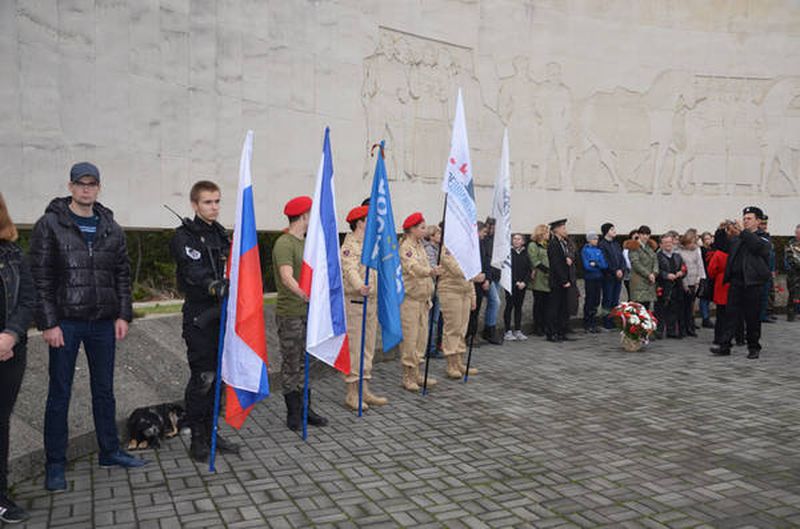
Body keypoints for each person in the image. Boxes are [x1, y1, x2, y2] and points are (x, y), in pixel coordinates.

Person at [29, 162, 145, 492]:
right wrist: (48, 323)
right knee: (59, 394)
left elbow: (122, 275)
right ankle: (55, 464)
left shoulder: (112, 227)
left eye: (91, 184)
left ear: (98, 188)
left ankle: (109, 451)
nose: (86, 189)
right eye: (80, 184)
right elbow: (40, 278)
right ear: (70, 186)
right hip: (65, 323)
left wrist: (124, 315)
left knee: (105, 391)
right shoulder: (50, 224)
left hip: (103, 324)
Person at [169, 180, 239, 462]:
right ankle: (198, 437)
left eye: (217, 201)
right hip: (200, 317)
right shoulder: (184, 236)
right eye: (208, 202)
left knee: (219, 378)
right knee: (203, 378)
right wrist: (213, 285)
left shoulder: (222, 236)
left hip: (223, 316)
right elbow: (192, 270)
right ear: (195, 204)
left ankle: (211, 431)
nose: (214, 207)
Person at [272, 196, 328, 430]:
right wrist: (304, 294)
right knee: (292, 363)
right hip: (292, 313)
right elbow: (286, 277)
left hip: (310, 313)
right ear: (304, 216)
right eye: (312, 213)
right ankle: (293, 413)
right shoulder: (285, 243)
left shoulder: (308, 243)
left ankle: (306, 408)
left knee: (307, 362)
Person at [0, 194, 35, 523]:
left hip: (10, 351)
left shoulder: (12, 254)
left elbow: (28, 298)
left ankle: (0, 495)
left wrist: (11, 334)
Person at [340, 205, 387, 411]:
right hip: (356, 302)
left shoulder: (370, 245)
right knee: (355, 349)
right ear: (360, 222)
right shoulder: (350, 246)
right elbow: (349, 269)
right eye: (369, 220)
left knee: (368, 347)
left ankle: (364, 388)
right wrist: (361, 286)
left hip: (371, 302)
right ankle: (351, 393)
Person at [711, 207, 771, 359]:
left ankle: (753, 347)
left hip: (753, 283)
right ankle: (724, 346)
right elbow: (721, 246)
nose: (745, 221)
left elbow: (757, 247)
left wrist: (742, 233)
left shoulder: (763, 237)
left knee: (752, 317)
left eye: (749, 219)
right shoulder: (738, 238)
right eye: (744, 218)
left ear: (758, 221)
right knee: (730, 316)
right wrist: (721, 230)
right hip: (736, 282)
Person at [398, 213, 441, 391]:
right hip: (410, 301)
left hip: (423, 300)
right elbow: (413, 268)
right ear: (412, 229)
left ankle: (417, 373)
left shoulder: (420, 246)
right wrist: (429, 271)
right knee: (410, 339)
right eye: (422, 227)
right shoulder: (406, 247)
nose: (425, 230)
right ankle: (408, 377)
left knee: (421, 339)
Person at [438, 244, 479, 379]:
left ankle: (459, 361)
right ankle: (451, 363)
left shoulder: (465, 248)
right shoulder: (447, 247)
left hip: (465, 291)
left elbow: (469, 277)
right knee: (452, 328)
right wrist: (473, 274)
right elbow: (455, 269)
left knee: (462, 328)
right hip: (451, 291)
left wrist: (473, 296)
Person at [707, 224, 744, 346]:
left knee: (721, 314)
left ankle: (719, 337)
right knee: (737, 314)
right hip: (735, 282)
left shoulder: (719, 253)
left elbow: (711, 270)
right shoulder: (738, 251)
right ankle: (739, 337)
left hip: (721, 283)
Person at [546, 219, 575, 342]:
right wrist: (564, 280)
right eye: (562, 228)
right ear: (556, 230)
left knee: (563, 308)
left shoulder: (562, 243)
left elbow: (564, 260)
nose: (565, 230)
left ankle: (561, 332)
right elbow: (556, 264)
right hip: (558, 281)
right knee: (554, 307)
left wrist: (568, 260)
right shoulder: (553, 244)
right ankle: (551, 333)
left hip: (565, 280)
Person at [655, 234, 685, 339]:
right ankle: (659, 331)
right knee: (661, 309)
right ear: (661, 244)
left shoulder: (677, 256)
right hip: (663, 286)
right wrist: (666, 275)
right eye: (665, 242)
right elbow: (656, 270)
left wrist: (682, 273)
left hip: (676, 285)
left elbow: (683, 268)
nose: (668, 245)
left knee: (673, 309)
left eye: (670, 242)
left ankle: (671, 331)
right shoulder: (657, 256)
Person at [477, 217, 502, 344]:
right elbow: (486, 260)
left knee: (494, 303)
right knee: (495, 301)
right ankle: (489, 329)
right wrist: (487, 278)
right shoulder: (484, 240)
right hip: (488, 276)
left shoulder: (496, 240)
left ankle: (490, 328)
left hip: (496, 275)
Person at [676, 231, 706, 337]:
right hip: (684, 280)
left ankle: (690, 327)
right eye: (691, 243)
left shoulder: (697, 250)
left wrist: (699, 279)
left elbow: (700, 265)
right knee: (682, 306)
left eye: (694, 242)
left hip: (694, 281)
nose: (693, 245)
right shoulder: (679, 251)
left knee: (691, 306)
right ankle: (682, 329)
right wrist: (684, 284)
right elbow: (680, 267)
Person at [503, 233, 532, 341]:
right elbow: (507, 270)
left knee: (518, 307)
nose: (516, 241)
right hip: (511, 285)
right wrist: (516, 282)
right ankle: (507, 331)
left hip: (522, 285)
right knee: (509, 306)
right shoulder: (509, 253)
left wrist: (524, 282)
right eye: (514, 239)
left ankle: (518, 330)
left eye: (518, 239)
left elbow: (529, 270)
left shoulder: (525, 253)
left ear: (523, 241)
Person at [598, 223, 625, 329]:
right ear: (606, 231)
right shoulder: (602, 244)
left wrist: (622, 269)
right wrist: (614, 271)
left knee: (615, 299)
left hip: (618, 276)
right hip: (608, 276)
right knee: (607, 299)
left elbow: (621, 258)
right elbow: (605, 260)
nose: (614, 231)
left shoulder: (616, 244)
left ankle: (614, 319)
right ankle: (606, 321)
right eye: (612, 229)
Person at [423, 225, 443, 358]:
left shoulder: (438, 249)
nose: (440, 237)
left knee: (434, 320)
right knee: (431, 320)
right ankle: (429, 348)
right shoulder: (429, 249)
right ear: (431, 236)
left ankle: (432, 346)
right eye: (438, 234)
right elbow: (432, 268)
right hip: (431, 287)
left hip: (437, 286)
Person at [627, 226, 659, 310]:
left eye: (647, 234)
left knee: (647, 307)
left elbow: (655, 260)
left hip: (649, 282)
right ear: (639, 235)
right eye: (643, 234)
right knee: (638, 308)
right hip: (639, 282)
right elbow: (636, 263)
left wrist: (654, 273)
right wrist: (648, 274)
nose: (645, 236)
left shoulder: (650, 247)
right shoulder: (634, 247)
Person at [581, 232, 608, 333]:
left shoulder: (598, 250)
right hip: (590, 278)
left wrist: (595, 263)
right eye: (594, 239)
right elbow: (587, 266)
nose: (596, 241)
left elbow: (604, 265)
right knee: (590, 300)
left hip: (599, 277)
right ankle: (587, 324)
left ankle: (593, 323)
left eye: (597, 239)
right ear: (589, 240)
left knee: (596, 301)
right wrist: (597, 264)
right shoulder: (585, 250)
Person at [527, 224, 550, 336]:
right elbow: (534, 260)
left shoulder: (546, 245)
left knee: (546, 304)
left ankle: (545, 325)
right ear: (541, 233)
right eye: (547, 233)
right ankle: (538, 327)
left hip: (548, 279)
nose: (548, 235)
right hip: (539, 277)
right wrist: (547, 270)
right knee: (539, 304)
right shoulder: (533, 245)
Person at [759, 215, 777, 323]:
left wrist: (773, 269)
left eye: (765, 224)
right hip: (763, 270)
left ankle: (765, 312)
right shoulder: (758, 237)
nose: (764, 226)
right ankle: (761, 315)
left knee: (767, 294)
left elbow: (772, 255)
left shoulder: (767, 236)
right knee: (762, 294)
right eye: (762, 224)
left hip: (769, 269)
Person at [699, 231, 715, 328]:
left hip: (712, 275)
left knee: (708, 298)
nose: (708, 241)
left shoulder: (713, 248)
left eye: (709, 238)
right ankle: (705, 318)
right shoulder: (702, 250)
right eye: (706, 239)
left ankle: (707, 316)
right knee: (704, 297)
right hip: (705, 275)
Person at [785, 224, 800, 322]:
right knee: (793, 294)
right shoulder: (791, 244)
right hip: (794, 273)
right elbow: (790, 258)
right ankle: (791, 314)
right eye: (797, 233)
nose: (798, 235)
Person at [622, 230, 638, 300]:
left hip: (641, 277)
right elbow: (628, 263)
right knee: (632, 296)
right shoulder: (626, 249)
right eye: (635, 238)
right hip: (630, 276)